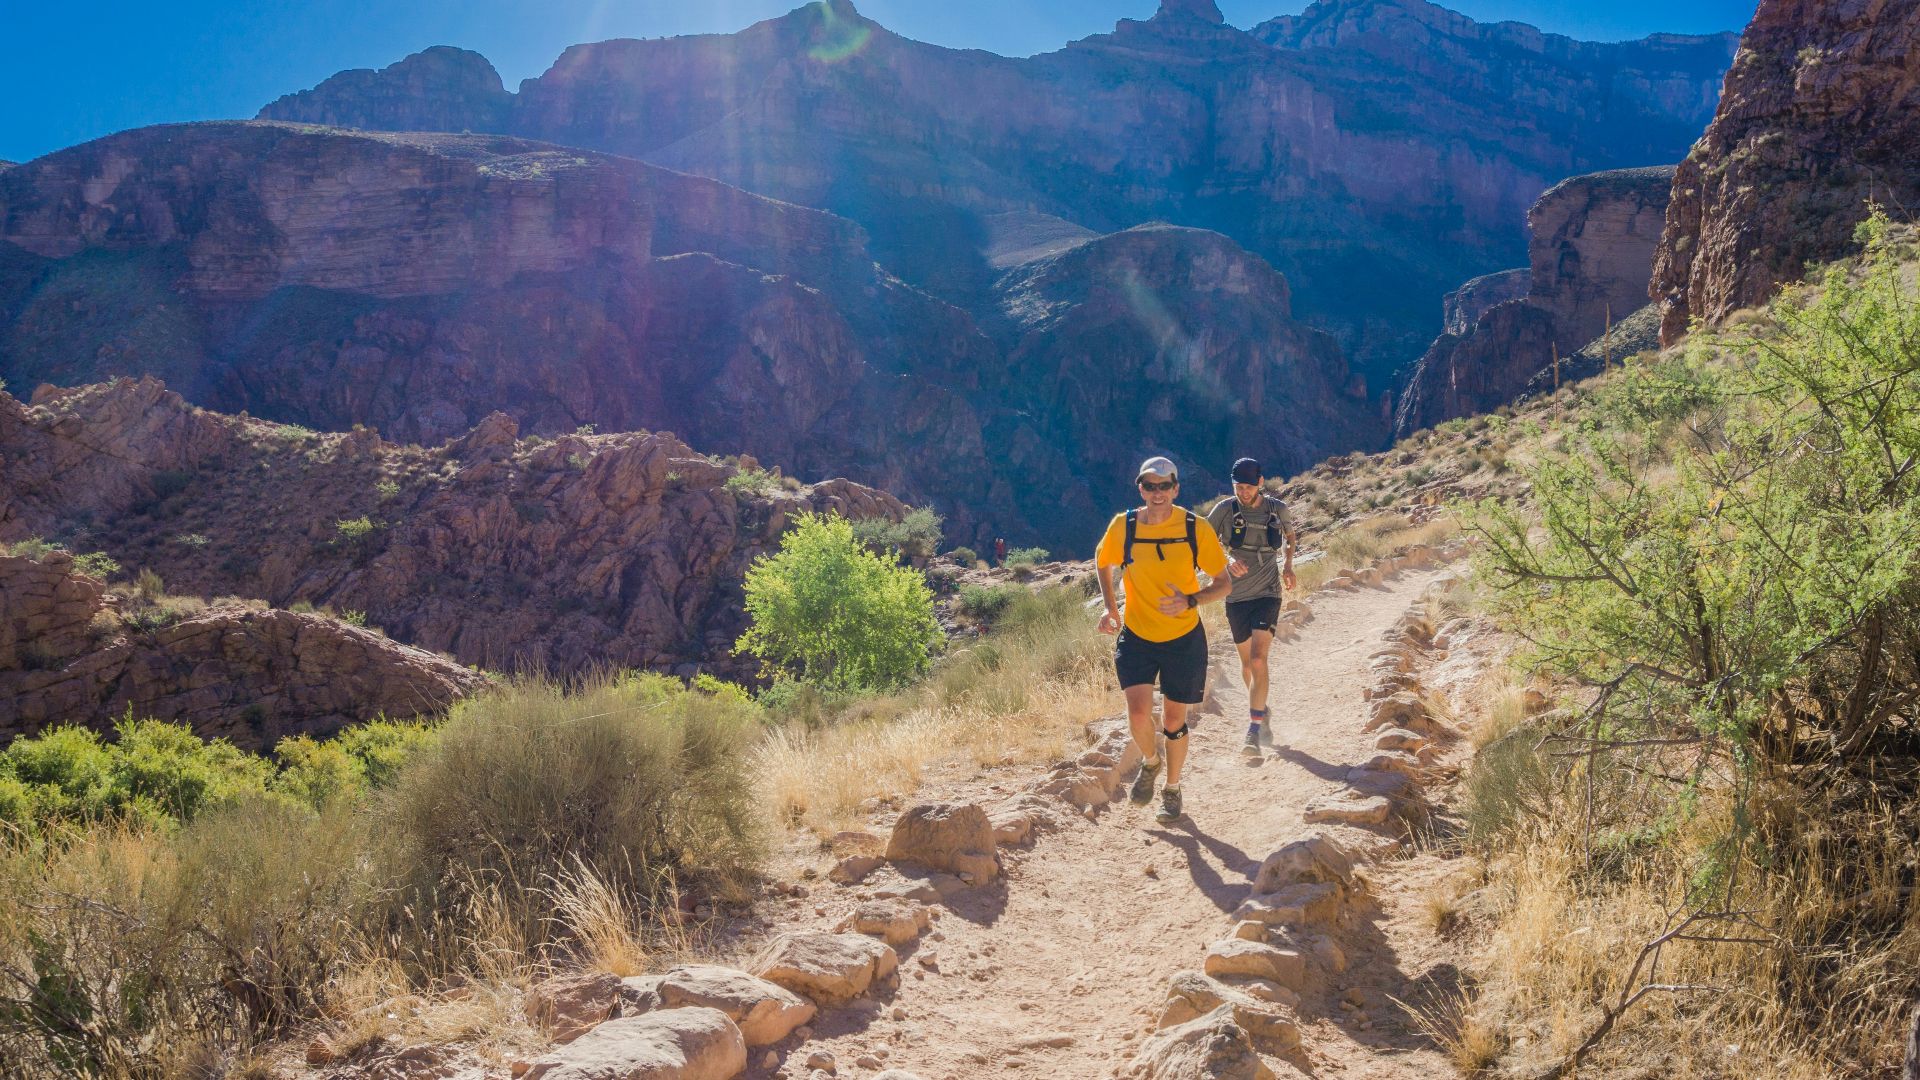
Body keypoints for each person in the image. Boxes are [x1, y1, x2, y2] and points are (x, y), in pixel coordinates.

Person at [1095, 456, 1232, 823]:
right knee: (1139, 713)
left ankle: (1172, 789)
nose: (1157, 492)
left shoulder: (1194, 528)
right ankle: (1151, 761)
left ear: (1176, 489)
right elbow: (1103, 560)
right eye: (1150, 486)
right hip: (1137, 635)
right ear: (1140, 489)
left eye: (1165, 485)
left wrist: (1191, 600)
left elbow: (1224, 583)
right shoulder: (1123, 526)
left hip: (1183, 639)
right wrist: (1110, 607)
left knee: (1173, 722)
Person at [1204, 457, 1296, 756]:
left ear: (1260, 482)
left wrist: (1288, 566)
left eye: (1248, 486)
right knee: (1246, 665)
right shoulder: (1224, 510)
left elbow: (1290, 537)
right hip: (1235, 596)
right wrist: (1227, 560)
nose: (1243, 492)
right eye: (1238, 487)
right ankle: (1261, 709)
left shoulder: (1277, 509)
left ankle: (1253, 730)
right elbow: (1203, 543)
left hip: (1268, 592)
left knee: (1258, 660)